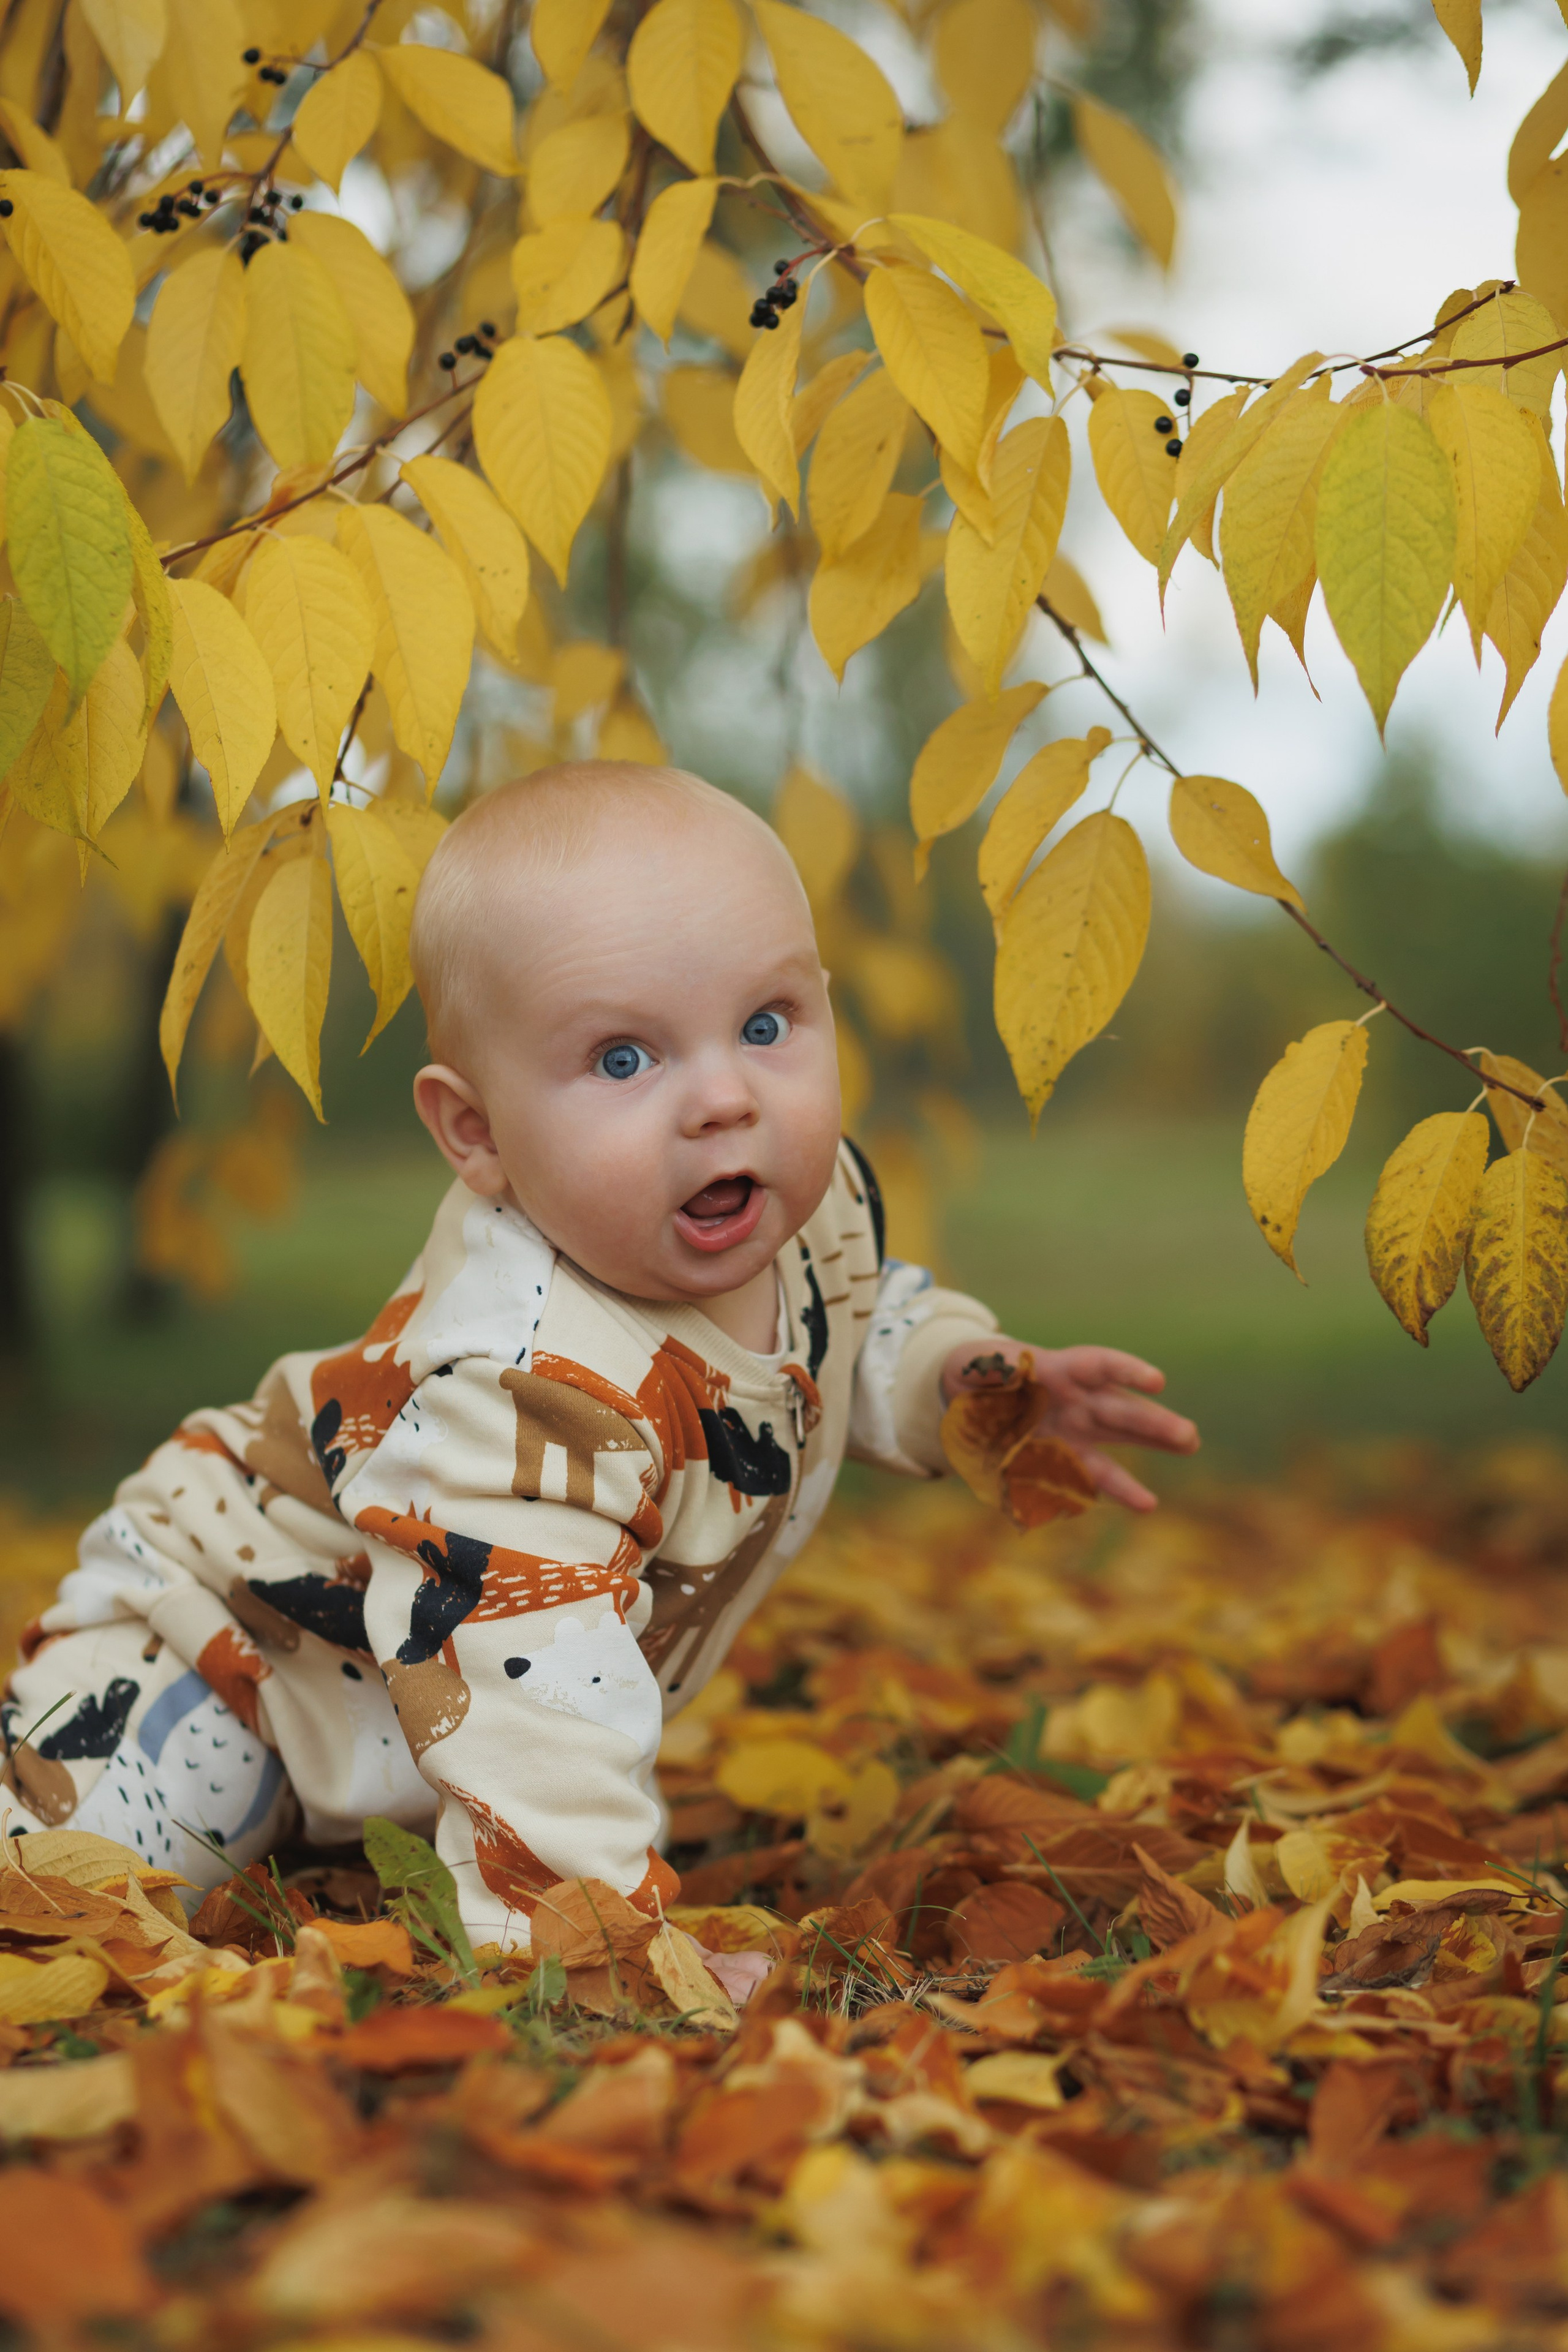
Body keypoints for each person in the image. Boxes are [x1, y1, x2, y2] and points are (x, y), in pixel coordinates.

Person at [1, 763, 1197, 1999]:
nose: (724, 1098)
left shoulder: (806, 1201)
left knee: (305, 1869)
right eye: (624, 1059)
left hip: (388, 1707)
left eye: (767, 1024)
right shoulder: (528, 1386)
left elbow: (850, 1324)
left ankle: (345, 1838)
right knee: (68, 1885)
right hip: (218, 1652)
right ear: (476, 1135)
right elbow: (534, 1701)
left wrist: (966, 1380)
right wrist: (605, 1956)